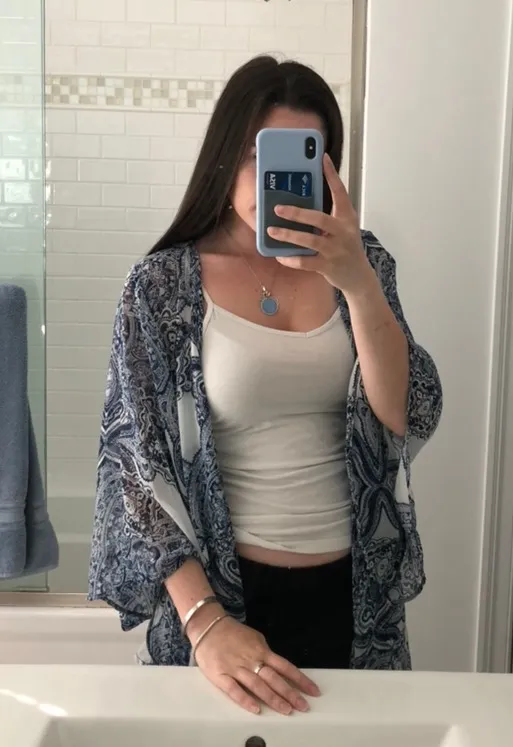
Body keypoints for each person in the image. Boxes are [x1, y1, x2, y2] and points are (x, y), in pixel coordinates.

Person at [88, 55, 442, 716]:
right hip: (223, 599)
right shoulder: (161, 287)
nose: (272, 178)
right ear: (224, 156)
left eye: (300, 156)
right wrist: (206, 625)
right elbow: (134, 469)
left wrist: (358, 283)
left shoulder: (362, 264)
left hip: (356, 598)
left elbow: (402, 412)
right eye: (257, 154)